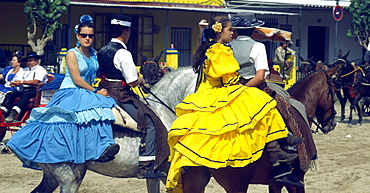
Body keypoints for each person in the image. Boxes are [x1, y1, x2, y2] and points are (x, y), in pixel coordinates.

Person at [166, 16, 291, 192]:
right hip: (222, 89)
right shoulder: (221, 51)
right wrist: (240, 84)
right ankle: (276, 149)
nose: (233, 32)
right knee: (263, 104)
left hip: (204, 93)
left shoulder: (208, 49)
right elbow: (230, 77)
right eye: (229, 29)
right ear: (219, 31)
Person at [7, 15, 119, 169]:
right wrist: (96, 91)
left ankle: (99, 147)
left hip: (86, 90)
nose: (87, 38)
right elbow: (77, 79)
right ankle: (95, 148)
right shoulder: (72, 53)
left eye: (90, 36)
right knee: (97, 106)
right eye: (84, 35)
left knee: (101, 108)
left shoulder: (94, 53)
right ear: (77, 36)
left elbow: (96, 74)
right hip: (72, 90)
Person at [230, 12, 304, 187]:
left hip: (227, 90)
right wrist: (244, 89)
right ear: (253, 29)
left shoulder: (227, 47)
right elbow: (260, 76)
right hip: (249, 88)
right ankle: (282, 149)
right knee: (278, 106)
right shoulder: (257, 46)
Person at [97, 14, 168, 179]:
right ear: (125, 31)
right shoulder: (123, 53)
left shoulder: (102, 50)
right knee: (151, 121)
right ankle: (146, 167)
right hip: (119, 95)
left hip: (104, 91)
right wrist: (141, 80)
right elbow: (132, 81)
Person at [0, 51, 48, 122]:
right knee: (11, 94)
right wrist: (15, 83)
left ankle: (14, 112)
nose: (29, 63)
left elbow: (36, 81)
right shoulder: (25, 70)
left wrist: (22, 82)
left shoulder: (40, 70)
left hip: (35, 90)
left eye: (31, 61)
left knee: (26, 94)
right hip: (24, 89)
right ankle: (3, 111)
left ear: (36, 61)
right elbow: (19, 78)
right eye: (28, 61)